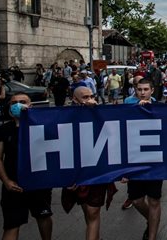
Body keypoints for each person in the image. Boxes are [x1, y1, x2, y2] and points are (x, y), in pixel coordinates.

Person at [0, 93, 53, 240]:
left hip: (39, 183)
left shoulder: (43, 126)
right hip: (14, 185)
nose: (17, 105)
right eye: (14, 102)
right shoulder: (4, 130)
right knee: (12, 225)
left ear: (30, 105)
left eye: (22, 102)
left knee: (44, 217)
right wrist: (6, 181)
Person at [60, 87, 117, 240]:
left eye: (92, 96)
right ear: (75, 100)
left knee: (93, 211)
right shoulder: (65, 117)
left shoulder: (101, 113)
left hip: (97, 171)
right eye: (85, 97)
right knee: (87, 209)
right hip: (77, 171)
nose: (90, 100)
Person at [122, 79, 162, 240]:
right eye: (139, 89)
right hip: (135, 161)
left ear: (152, 90)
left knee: (154, 200)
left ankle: (151, 235)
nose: (143, 92)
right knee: (137, 200)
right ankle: (152, 221)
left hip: (155, 161)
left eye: (146, 89)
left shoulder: (160, 108)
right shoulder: (128, 109)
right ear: (135, 91)